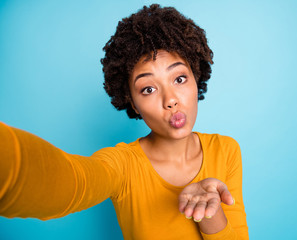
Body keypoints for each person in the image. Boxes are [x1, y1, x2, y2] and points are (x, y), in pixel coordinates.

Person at [0, 4, 249, 240]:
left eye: (180, 79)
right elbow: (74, 181)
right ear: (132, 103)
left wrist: (209, 211)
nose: (171, 100)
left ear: (196, 77)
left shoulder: (226, 150)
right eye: (149, 89)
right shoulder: (122, 165)